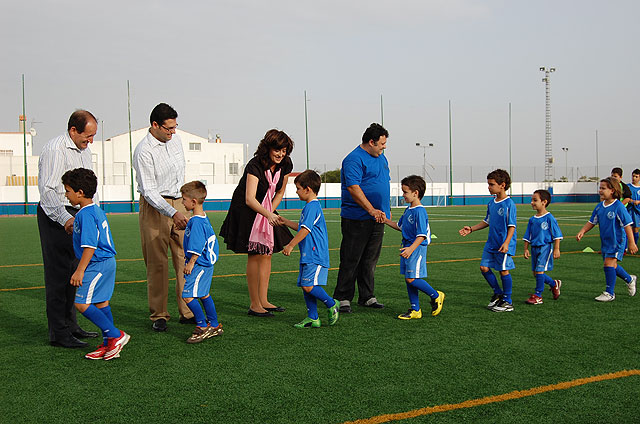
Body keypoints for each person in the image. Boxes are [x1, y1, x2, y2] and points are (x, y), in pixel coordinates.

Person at [37, 109, 100, 348]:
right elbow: (49, 191)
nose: (90, 141)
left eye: (93, 136)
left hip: (79, 214)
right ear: (73, 130)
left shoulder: (85, 151)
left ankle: (72, 325)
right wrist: (65, 218)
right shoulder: (55, 149)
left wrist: (90, 215)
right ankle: (59, 333)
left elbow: (89, 185)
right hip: (56, 216)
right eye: (88, 136)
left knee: (75, 273)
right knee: (58, 276)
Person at [219, 129, 294, 317]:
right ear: (267, 148)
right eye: (278, 150)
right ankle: (254, 304)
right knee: (254, 254)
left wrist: (270, 212)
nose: (281, 154)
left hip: (266, 208)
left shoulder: (285, 165)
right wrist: (267, 214)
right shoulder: (254, 165)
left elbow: (279, 192)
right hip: (246, 209)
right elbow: (249, 199)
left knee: (267, 253)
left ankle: (264, 300)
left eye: (284, 150)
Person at [132, 103, 193, 332]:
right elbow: (149, 190)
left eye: (175, 127)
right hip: (155, 206)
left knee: (185, 257)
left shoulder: (175, 141)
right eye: (168, 128)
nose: (173, 132)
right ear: (155, 125)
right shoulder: (144, 151)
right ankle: (159, 315)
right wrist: (172, 212)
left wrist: (183, 205)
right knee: (157, 262)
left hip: (180, 202)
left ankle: (188, 311)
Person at [62, 168, 129, 360]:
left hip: (96, 264)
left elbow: (90, 245)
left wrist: (80, 270)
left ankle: (116, 335)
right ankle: (109, 343)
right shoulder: (93, 210)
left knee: (81, 303)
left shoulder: (85, 214)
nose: (66, 195)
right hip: (107, 263)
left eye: (68, 191)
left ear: (80, 192)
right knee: (101, 303)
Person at [334, 123, 390, 314]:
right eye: (381, 143)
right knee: (351, 259)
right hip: (357, 218)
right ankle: (342, 297)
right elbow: (353, 188)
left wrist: (381, 212)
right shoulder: (353, 159)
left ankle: (367, 296)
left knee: (370, 260)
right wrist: (371, 209)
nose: (384, 147)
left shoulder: (382, 158)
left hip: (377, 218)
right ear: (371, 142)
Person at [280, 170, 340, 328]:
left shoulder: (312, 206)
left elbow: (305, 230)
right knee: (305, 286)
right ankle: (313, 317)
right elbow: (302, 227)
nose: (296, 191)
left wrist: (291, 245)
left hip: (315, 254)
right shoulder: (309, 207)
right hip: (308, 254)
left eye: (298, 188)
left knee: (309, 285)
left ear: (307, 189)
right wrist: (286, 222)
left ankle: (332, 304)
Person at [383, 175, 444, 320]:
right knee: (408, 278)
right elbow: (399, 226)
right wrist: (385, 220)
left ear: (415, 193)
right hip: (407, 248)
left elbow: (422, 235)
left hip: (416, 249)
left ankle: (436, 295)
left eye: (405, 192)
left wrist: (411, 248)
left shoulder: (420, 211)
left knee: (412, 279)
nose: (402, 195)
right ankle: (415, 309)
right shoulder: (408, 210)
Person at [459, 169, 517, 312]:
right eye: (488, 184)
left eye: (491, 184)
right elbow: (487, 221)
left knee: (503, 270)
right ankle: (498, 293)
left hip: (503, 243)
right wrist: (471, 229)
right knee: (484, 268)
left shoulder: (509, 204)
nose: (489, 187)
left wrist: (507, 243)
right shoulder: (492, 203)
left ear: (502, 185)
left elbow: (512, 226)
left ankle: (507, 301)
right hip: (491, 242)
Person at [576, 177, 638, 301]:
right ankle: (630, 279)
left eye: (603, 188)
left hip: (617, 242)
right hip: (606, 242)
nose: (600, 190)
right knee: (612, 266)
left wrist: (631, 243)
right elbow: (592, 222)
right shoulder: (599, 207)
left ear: (612, 190)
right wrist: (582, 231)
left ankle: (610, 293)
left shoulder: (619, 206)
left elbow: (627, 225)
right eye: (600, 188)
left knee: (608, 264)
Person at [180, 181, 223, 343]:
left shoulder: (197, 221)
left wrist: (191, 263)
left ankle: (202, 325)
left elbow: (198, 246)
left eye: (184, 199)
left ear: (193, 201)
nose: (182, 202)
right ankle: (214, 324)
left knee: (187, 296)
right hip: (205, 264)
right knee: (204, 294)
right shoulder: (200, 218)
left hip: (199, 264)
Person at [522, 189, 563, 305]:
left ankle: (538, 295)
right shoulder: (532, 219)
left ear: (544, 202)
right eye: (531, 200)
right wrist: (526, 248)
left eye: (535, 200)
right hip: (534, 248)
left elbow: (557, 235)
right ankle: (554, 284)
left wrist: (556, 248)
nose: (532, 203)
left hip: (545, 247)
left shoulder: (549, 218)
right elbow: (527, 235)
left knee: (540, 272)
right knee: (536, 273)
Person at [626, 169, 640, 246]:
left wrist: (638, 202)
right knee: (627, 228)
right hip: (629, 210)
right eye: (633, 176)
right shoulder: (628, 187)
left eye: (636, 176)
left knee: (635, 229)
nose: (634, 178)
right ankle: (626, 246)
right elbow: (625, 197)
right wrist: (630, 200)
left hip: (638, 211)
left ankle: (635, 245)